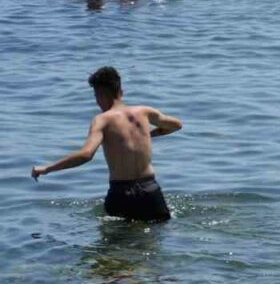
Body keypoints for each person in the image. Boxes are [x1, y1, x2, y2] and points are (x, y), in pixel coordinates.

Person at [31, 66, 182, 223]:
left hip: (121, 194)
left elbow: (86, 154)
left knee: (115, 237)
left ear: (99, 95)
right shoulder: (145, 112)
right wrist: (149, 135)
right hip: (150, 190)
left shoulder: (102, 120)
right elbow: (176, 125)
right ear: (121, 91)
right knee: (156, 235)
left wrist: (47, 168)